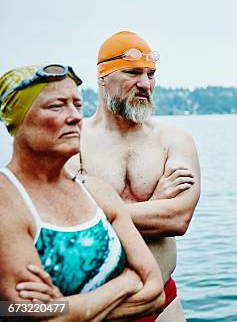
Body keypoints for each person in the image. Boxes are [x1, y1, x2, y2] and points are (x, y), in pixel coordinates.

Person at [0, 64, 164, 320]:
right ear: (17, 119)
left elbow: (156, 293)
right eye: (56, 106)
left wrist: (71, 309)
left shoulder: (98, 192)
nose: (75, 117)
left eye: (77, 105)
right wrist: (127, 283)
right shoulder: (6, 199)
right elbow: (31, 315)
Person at [71, 31, 201, 321]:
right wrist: (156, 200)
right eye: (132, 72)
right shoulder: (73, 141)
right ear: (102, 77)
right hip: (93, 308)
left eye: (150, 74)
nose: (145, 84)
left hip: (162, 304)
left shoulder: (172, 140)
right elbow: (69, 226)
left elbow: (177, 219)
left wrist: (101, 211)